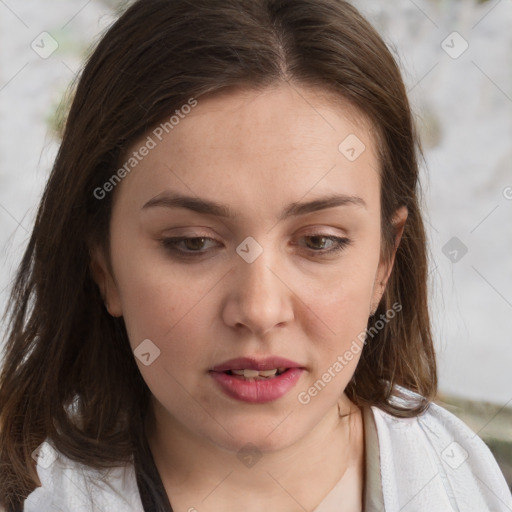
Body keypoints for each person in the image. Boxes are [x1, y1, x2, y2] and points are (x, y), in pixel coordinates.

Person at [0, 0, 510, 511]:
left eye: (319, 241)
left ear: (385, 260)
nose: (260, 310)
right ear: (103, 264)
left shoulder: (465, 482)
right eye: (193, 243)